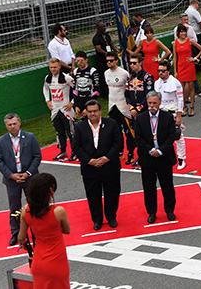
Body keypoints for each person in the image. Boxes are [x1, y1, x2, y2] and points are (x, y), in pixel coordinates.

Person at [73, 100, 124, 230]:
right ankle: (97, 220)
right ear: (86, 113)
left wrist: (106, 158)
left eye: (95, 111)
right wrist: (89, 160)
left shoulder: (111, 124)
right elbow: (76, 147)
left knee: (112, 193)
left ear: (100, 111)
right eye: (90, 111)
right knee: (93, 195)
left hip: (110, 166)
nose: (92, 114)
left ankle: (111, 217)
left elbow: (118, 143)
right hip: (90, 168)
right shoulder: (80, 127)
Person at [0, 113, 42, 246]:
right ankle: (16, 233)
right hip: (12, 180)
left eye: (15, 123)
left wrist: (27, 173)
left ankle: (37, 231)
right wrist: (11, 175)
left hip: (30, 178)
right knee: (14, 207)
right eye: (9, 125)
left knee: (34, 204)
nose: (13, 127)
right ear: (6, 126)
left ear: (20, 123)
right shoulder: (1, 141)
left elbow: (37, 156)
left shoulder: (30, 137)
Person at [18, 173, 70, 289]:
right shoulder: (58, 211)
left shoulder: (26, 210)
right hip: (57, 261)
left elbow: (21, 237)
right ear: (51, 191)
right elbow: (67, 230)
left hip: (38, 261)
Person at [133, 91, 177, 224]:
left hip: (164, 157)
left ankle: (169, 210)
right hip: (148, 157)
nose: (151, 105)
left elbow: (171, 136)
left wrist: (161, 151)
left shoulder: (168, 117)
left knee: (167, 185)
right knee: (149, 186)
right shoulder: (140, 118)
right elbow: (138, 138)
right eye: (149, 103)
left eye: (154, 103)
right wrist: (151, 150)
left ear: (159, 103)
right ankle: (151, 212)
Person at [103, 52, 136, 163]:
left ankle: (131, 153)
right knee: (115, 132)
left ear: (116, 60)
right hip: (112, 106)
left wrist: (130, 107)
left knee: (128, 131)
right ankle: (119, 152)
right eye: (107, 61)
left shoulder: (124, 73)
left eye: (111, 60)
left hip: (123, 106)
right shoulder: (106, 73)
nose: (109, 62)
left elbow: (129, 90)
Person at [154, 60, 187, 170]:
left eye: (163, 71)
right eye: (159, 71)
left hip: (173, 112)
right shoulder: (156, 83)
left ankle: (181, 158)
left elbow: (180, 99)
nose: (160, 73)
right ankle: (164, 155)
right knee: (161, 135)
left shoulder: (176, 83)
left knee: (178, 136)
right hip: (160, 112)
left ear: (168, 71)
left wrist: (179, 115)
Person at [44, 58, 75, 161]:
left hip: (66, 109)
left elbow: (77, 88)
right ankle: (62, 150)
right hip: (55, 109)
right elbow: (45, 88)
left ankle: (75, 151)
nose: (53, 69)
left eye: (55, 67)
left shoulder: (67, 78)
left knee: (71, 132)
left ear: (59, 67)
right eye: (51, 67)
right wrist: (48, 100)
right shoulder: (48, 78)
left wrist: (72, 102)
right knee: (59, 131)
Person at [173, 24, 201, 116]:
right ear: (178, 32)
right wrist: (175, 71)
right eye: (181, 31)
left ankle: (192, 106)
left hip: (189, 65)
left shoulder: (190, 41)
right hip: (181, 65)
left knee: (191, 86)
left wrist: (194, 58)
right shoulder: (175, 43)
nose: (183, 33)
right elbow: (175, 57)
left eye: (184, 31)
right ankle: (184, 106)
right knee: (181, 87)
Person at [72, 51, 101, 119]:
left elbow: (96, 90)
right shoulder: (75, 71)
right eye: (77, 61)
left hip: (90, 100)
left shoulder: (93, 71)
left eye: (81, 61)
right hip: (80, 102)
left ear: (86, 60)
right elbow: (74, 89)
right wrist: (76, 105)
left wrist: (88, 107)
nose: (79, 63)